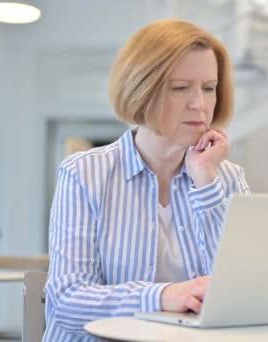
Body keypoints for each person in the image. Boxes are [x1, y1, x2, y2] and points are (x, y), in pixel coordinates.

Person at [43, 19, 251, 340]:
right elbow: (66, 301)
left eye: (209, 88)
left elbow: (242, 289)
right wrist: (163, 295)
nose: (199, 104)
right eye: (180, 88)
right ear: (143, 88)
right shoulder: (84, 173)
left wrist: (205, 182)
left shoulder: (227, 177)